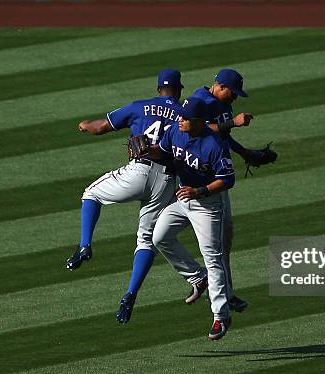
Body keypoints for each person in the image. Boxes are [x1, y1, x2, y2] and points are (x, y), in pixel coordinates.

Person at [65, 69, 185, 325]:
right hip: (166, 181)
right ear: (180, 89)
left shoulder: (140, 106)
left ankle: (85, 245)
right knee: (145, 240)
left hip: (137, 171)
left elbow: (100, 127)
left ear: (158, 90)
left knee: (91, 194)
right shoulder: (186, 115)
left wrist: (85, 125)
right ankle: (130, 295)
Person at [148, 97, 235, 341]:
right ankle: (198, 278)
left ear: (199, 122)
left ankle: (221, 315)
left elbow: (228, 180)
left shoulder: (214, 144)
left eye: (186, 118)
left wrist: (199, 191)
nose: (180, 119)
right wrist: (146, 150)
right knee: (160, 237)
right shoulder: (176, 130)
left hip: (207, 205)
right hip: (184, 200)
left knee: (213, 258)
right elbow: (162, 153)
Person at [188, 68, 257, 312]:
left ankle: (225, 292)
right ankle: (203, 283)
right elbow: (201, 129)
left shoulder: (221, 104)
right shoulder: (200, 101)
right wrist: (233, 122)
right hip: (198, 181)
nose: (235, 98)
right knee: (214, 245)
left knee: (224, 239)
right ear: (221, 87)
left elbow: (223, 136)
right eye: (233, 93)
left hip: (217, 177)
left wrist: (244, 153)